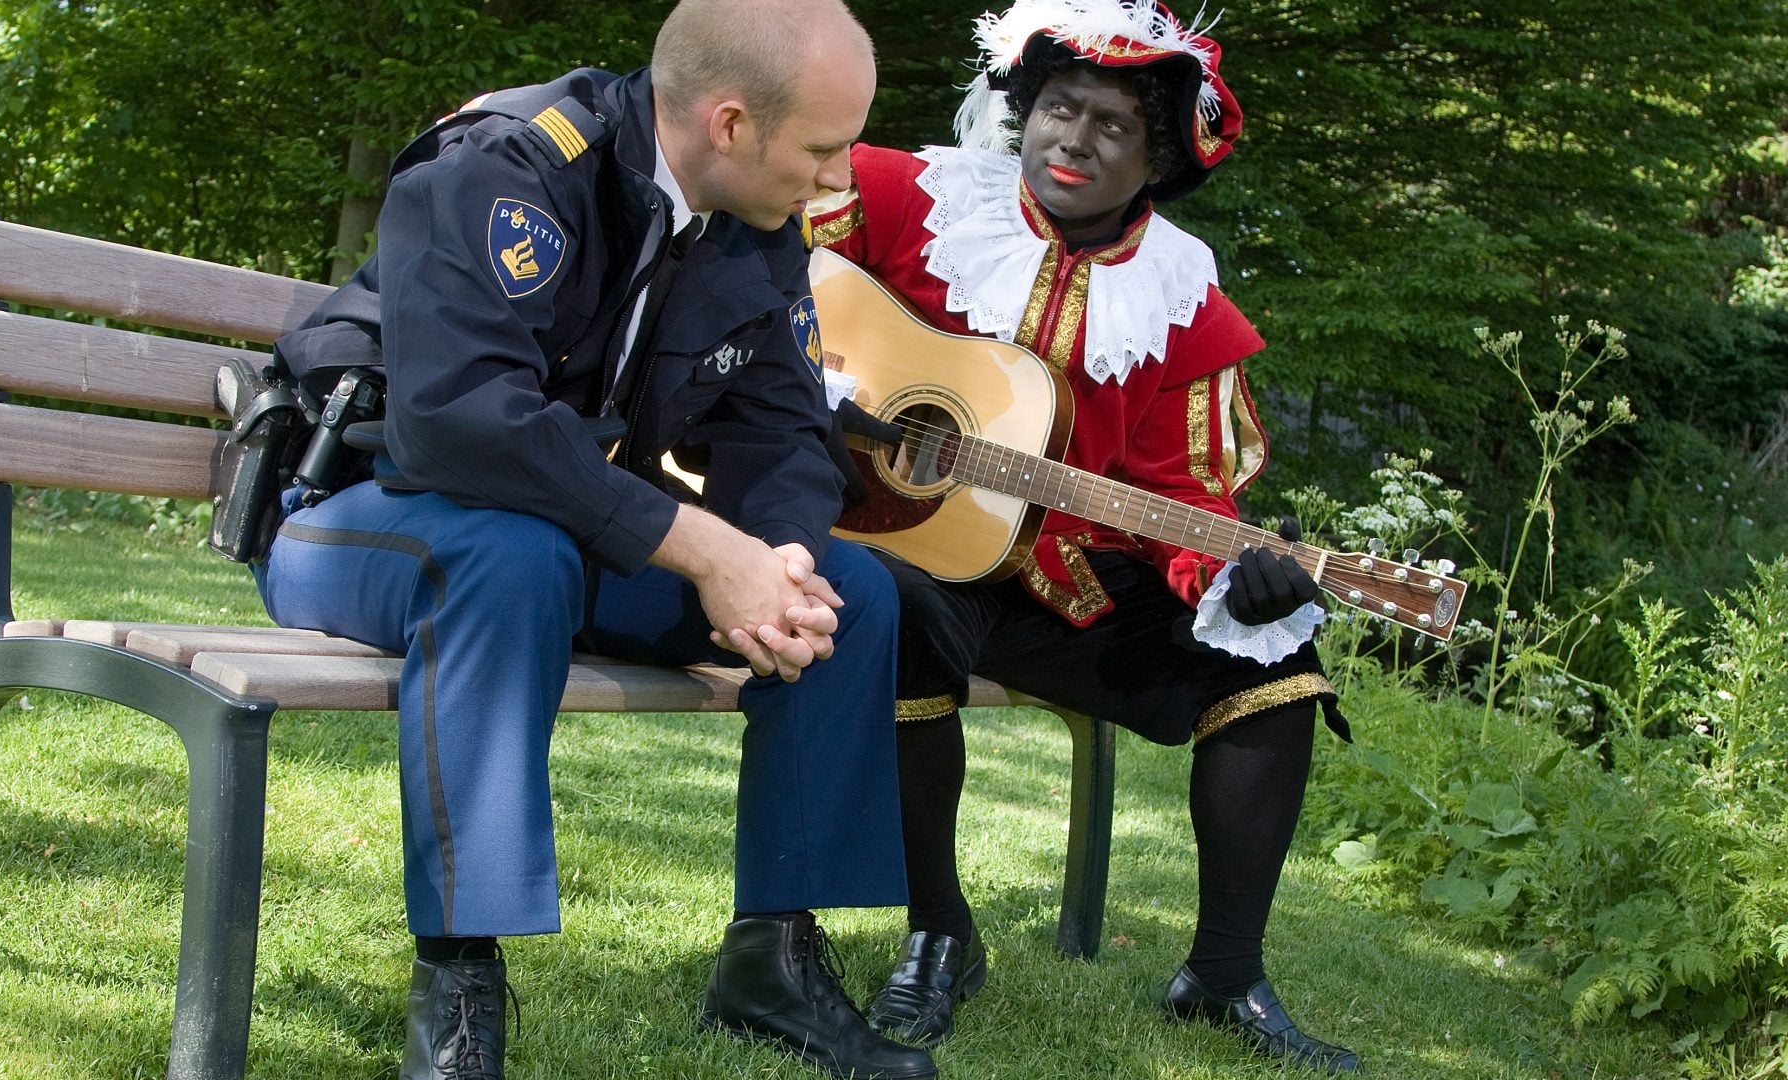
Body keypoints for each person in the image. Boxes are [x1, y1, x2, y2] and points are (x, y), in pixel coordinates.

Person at [255, 2, 937, 1078]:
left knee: (849, 590)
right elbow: (460, 424)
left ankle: (773, 960)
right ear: (728, 123)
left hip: (560, 542)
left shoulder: (753, 227)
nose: (840, 176)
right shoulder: (506, 164)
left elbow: (785, 428)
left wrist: (781, 559)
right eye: (821, 147)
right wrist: (707, 553)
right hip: (356, 519)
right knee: (505, 557)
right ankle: (458, 986)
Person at [808, 1, 1360, 1073]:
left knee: (1279, 661)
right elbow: (754, 251)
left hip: (1065, 581)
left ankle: (1224, 974)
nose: (1075, 139)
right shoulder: (903, 194)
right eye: (1061, 109)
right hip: (899, 543)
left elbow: (1184, 489)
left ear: (1157, 156)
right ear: (1026, 108)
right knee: (901, 609)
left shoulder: (1186, 303)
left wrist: (1228, 574)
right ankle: (939, 931)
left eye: (1114, 125)